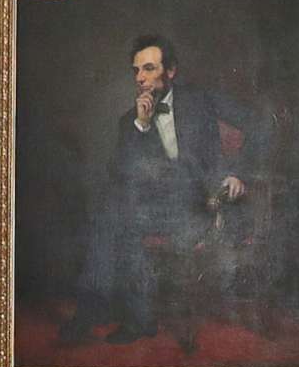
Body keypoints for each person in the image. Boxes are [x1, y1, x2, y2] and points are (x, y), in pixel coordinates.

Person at [74, 34, 269, 344]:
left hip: (205, 205)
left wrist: (236, 173)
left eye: (149, 68)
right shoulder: (130, 121)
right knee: (114, 212)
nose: (141, 78)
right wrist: (142, 125)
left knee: (116, 215)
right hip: (156, 210)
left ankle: (96, 312)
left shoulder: (201, 100)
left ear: (171, 71)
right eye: (136, 70)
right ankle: (126, 317)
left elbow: (259, 124)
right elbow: (121, 175)